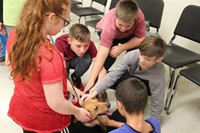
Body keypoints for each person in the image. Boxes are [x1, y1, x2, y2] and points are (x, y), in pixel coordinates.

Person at [6, 0, 91, 132]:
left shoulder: (16, 34)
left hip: (23, 109)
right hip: (44, 120)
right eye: (65, 21)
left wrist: (75, 90)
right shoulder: (50, 57)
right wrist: (77, 112)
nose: (64, 26)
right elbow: (57, 103)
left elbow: (12, 67)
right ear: (51, 17)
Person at [81, 36, 166, 125]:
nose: (141, 60)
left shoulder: (158, 72)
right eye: (141, 55)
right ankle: (101, 100)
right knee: (100, 81)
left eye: (147, 59)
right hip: (130, 76)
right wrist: (96, 91)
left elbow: (158, 99)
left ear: (159, 59)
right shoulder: (133, 55)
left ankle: (124, 111)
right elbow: (114, 74)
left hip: (144, 86)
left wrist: (154, 122)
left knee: (129, 91)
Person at [84, 0, 146, 93]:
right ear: (115, 17)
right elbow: (101, 54)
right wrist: (91, 81)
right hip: (111, 34)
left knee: (137, 58)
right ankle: (98, 85)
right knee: (107, 60)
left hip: (130, 37)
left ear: (134, 20)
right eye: (120, 24)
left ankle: (131, 84)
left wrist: (122, 48)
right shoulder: (109, 25)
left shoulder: (139, 16)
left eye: (128, 25)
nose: (123, 28)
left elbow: (140, 38)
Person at [55, 23, 106, 91]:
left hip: (76, 60)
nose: (82, 50)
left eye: (85, 46)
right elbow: (58, 68)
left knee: (87, 59)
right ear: (69, 41)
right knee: (63, 73)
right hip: (64, 62)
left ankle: (75, 77)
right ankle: (67, 82)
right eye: (78, 46)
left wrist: (97, 85)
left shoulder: (90, 44)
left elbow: (101, 67)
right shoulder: (60, 42)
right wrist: (71, 89)